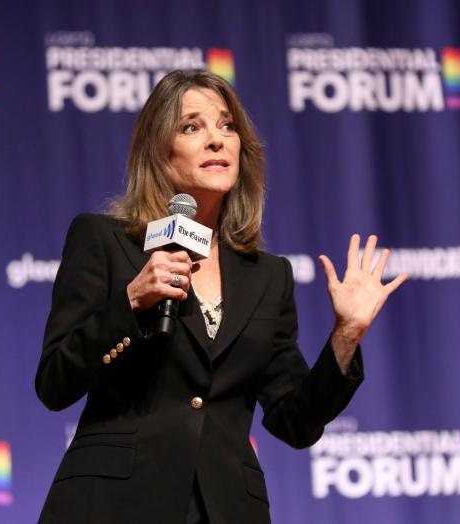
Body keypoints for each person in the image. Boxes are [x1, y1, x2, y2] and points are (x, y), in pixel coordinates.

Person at [35, 69, 407, 524]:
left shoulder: (267, 277)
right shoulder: (106, 241)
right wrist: (130, 303)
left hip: (226, 508)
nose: (217, 140)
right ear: (159, 150)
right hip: (113, 506)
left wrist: (346, 336)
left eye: (227, 126)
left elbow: (294, 421)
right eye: (192, 126)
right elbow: (54, 383)